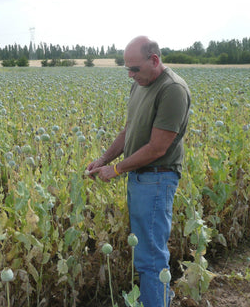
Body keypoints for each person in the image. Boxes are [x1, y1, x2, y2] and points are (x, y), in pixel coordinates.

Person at [86, 36, 191, 307]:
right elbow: (128, 130)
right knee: (147, 252)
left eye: (135, 69)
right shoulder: (140, 85)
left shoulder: (172, 90)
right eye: (127, 70)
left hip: (157, 178)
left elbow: (157, 147)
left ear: (154, 60)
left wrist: (117, 169)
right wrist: (103, 159)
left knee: (150, 256)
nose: (131, 76)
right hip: (141, 178)